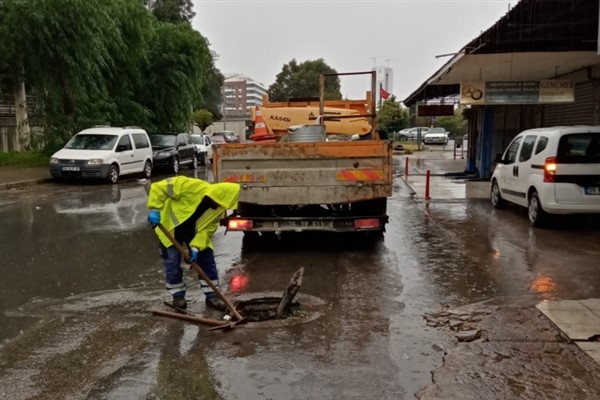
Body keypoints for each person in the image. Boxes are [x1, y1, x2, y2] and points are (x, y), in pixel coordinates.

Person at [146, 176, 240, 311]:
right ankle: (178, 296)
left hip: (193, 232)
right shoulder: (190, 186)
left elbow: (206, 231)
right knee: (172, 261)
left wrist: (196, 248)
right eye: (217, 201)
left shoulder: (218, 210)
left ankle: (212, 295)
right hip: (170, 227)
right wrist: (155, 208)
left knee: (206, 258)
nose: (217, 204)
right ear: (216, 193)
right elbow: (159, 187)